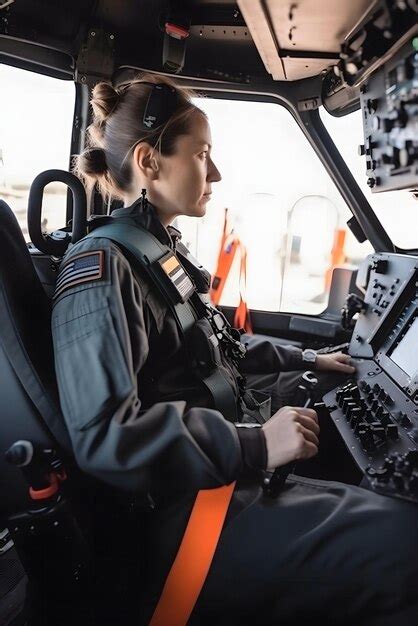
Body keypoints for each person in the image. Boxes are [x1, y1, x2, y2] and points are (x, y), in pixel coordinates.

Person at [52, 73, 418, 626]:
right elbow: (106, 437)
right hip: (182, 517)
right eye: (202, 154)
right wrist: (253, 445)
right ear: (150, 162)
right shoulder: (103, 269)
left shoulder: (153, 251)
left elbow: (215, 348)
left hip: (210, 475)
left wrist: (307, 361)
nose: (215, 173)